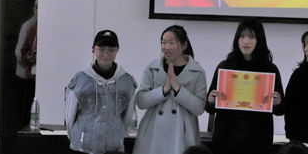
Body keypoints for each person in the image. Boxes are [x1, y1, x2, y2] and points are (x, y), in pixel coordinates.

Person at [206, 18, 285, 154]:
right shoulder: (226, 67)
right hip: (226, 139)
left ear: (259, 39)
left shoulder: (269, 69)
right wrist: (211, 100)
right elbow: (209, 107)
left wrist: (278, 102)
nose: (246, 41)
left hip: (258, 141)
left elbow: (281, 109)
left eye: (251, 37)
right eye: (242, 36)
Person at [133, 25, 207, 154]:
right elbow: (141, 101)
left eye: (172, 43)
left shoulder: (197, 72)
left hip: (183, 134)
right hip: (153, 133)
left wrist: (178, 89)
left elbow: (199, 108)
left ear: (184, 45)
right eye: (164, 42)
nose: (166, 47)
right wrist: (164, 89)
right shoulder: (152, 68)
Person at [65, 30, 137, 154]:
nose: (106, 54)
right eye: (101, 49)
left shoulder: (127, 81)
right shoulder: (80, 79)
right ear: (93, 49)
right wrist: (77, 138)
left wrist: (117, 134)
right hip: (83, 147)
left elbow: (128, 116)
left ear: (117, 50)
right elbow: (69, 115)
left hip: (113, 148)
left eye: (111, 50)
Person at [15, 0, 38, 128]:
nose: (37, 11)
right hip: (26, 75)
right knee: (26, 113)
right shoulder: (29, 26)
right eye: (35, 7)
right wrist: (28, 60)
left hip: (38, 77)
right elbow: (20, 52)